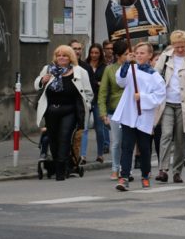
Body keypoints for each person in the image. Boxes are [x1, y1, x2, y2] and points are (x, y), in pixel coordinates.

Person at [113, 42, 167, 191]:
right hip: (129, 114)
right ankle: (124, 177)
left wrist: (142, 97)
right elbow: (121, 81)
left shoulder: (155, 76)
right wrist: (125, 63)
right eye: (137, 53)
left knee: (144, 147)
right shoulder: (131, 68)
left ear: (150, 55)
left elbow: (160, 96)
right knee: (127, 146)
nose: (138, 56)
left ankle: (145, 174)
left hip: (144, 115)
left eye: (142, 53)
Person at [153, 30, 185, 184]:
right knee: (166, 135)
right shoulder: (165, 57)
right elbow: (155, 76)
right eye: (177, 47)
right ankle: (163, 169)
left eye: (182, 46)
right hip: (167, 102)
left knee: (180, 139)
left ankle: (177, 171)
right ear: (172, 45)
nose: (180, 49)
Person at [35, 45, 93, 181]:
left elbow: (89, 92)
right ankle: (58, 164)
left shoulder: (80, 71)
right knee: (53, 139)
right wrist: (42, 81)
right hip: (51, 110)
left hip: (69, 110)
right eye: (59, 55)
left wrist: (86, 104)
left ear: (70, 57)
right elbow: (36, 83)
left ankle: (61, 170)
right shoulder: (48, 69)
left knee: (64, 137)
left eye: (65, 55)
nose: (61, 58)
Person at [98, 40, 128, 180]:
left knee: (128, 142)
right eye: (126, 54)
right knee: (116, 142)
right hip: (114, 110)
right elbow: (103, 92)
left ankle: (127, 169)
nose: (129, 56)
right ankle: (115, 168)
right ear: (118, 55)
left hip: (130, 110)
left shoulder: (135, 68)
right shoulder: (109, 70)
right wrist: (103, 113)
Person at [83, 43, 107, 164]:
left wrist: (100, 83)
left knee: (99, 128)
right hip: (86, 99)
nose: (94, 55)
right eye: (92, 53)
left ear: (100, 54)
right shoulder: (85, 65)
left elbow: (105, 83)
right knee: (84, 128)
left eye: (96, 53)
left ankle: (100, 154)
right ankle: (82, 155)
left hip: (98, 99)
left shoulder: (104, 66)